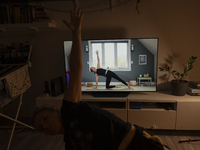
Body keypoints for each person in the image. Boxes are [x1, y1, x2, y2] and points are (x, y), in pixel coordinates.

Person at [32, 9, 169, 150]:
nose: (46, 126)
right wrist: (96, 86)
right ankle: (116, 86)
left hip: (138, 143)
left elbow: (76, 69)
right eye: (41, 128)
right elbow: (96, 81)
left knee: (118, 79)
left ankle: (124, 86)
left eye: (45, 118)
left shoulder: (69, 110)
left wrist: (76, 32)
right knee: (109, 84)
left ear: (56, 110)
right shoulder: (70, 145)